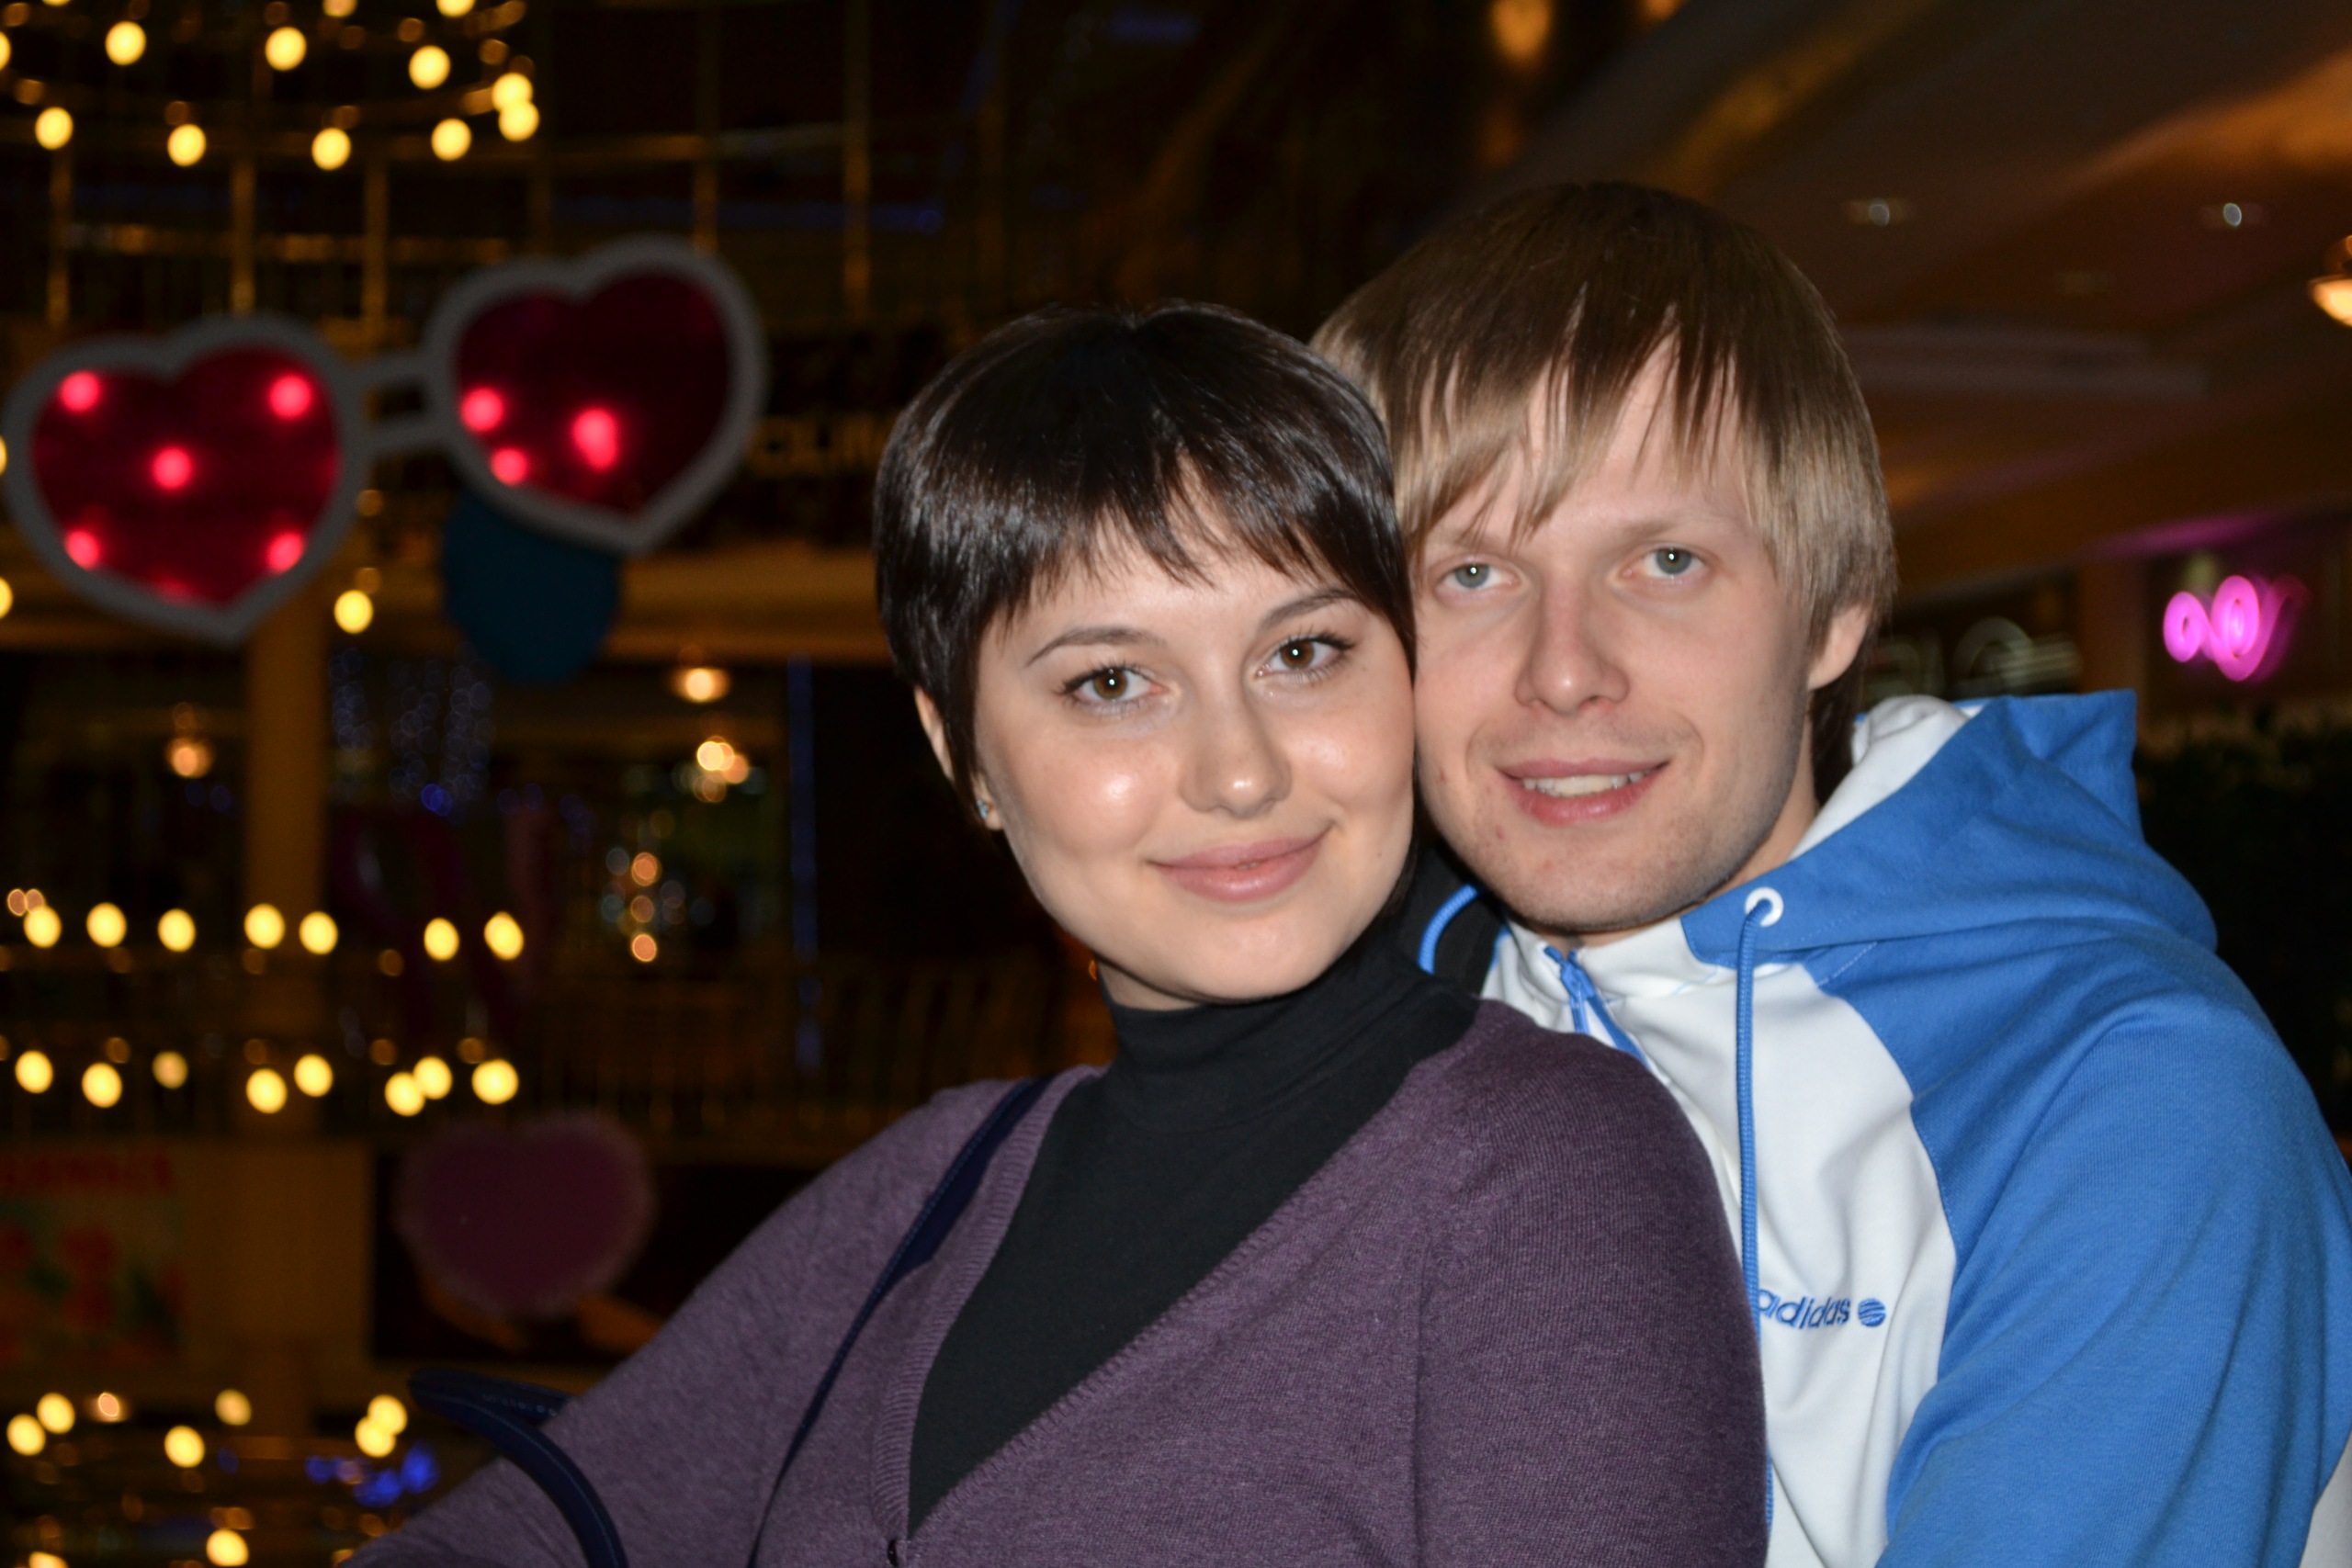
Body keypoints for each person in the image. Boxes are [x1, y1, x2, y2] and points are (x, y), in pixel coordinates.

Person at [361, 302, 1765, 1567]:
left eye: (1302, 653)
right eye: (1111, 683)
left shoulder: (1544, 1178)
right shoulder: (935, 1188)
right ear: (962, 752)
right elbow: (525, 1527)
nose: (1239, 772)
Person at [1312, 182, 2352, 1568]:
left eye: (1665, 561)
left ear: (1835, 611)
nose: (1564, 671)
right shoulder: (1382, 1024)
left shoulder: (2128, 1094)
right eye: (1472, 575)